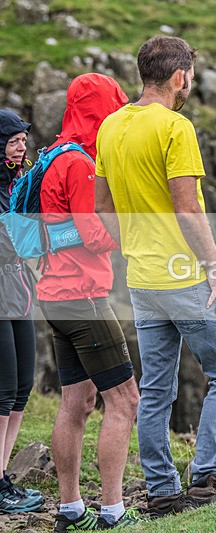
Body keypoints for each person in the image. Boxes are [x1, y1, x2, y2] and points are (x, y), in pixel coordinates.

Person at [94, 35, 216, 517]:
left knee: (157, 389)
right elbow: (187, 210)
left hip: (142, 279)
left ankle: (162, 490)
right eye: (192, 77)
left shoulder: (110, 126)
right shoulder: (175, 127)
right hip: (184, 276)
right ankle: (206, 476)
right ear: (180, 77)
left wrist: (135, 248)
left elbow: (101, 207)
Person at [35, 74, 144, 531]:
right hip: (84, 299)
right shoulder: (79, 164)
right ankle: (114, 511)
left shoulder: (50, 156)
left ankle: (69, 508)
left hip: (52, 298)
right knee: (125, 402)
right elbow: (93, 234)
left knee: (75, 402)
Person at [0, 109, 45, 514]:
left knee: (20, 388)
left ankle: (1, 478)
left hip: (17, 289)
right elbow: (17, 238)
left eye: (22, 138)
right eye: (12, 138)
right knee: (1, 390)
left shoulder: (16, 182)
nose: (20, 143)